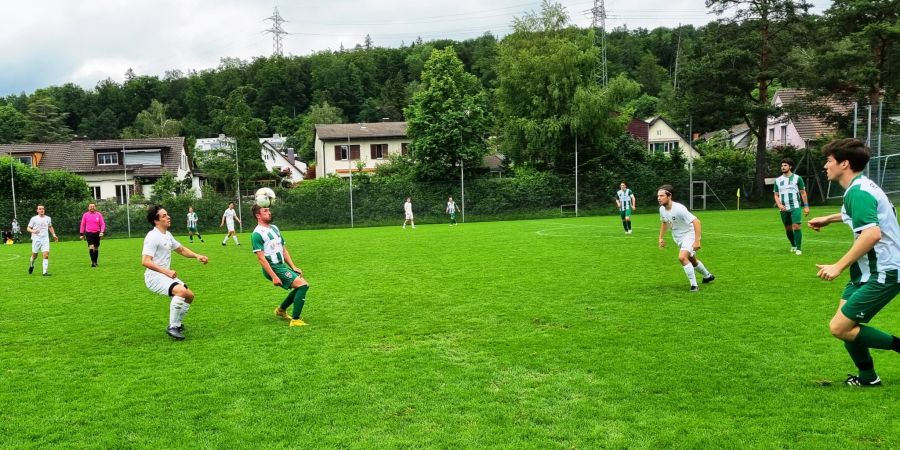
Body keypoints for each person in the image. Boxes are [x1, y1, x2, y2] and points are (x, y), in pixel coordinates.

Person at [808, 138, 900, 387]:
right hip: (865, 271)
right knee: (848, 326)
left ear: (844, 163)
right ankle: (869, 378)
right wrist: (829, 218)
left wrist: (838, 266)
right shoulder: (860, 188)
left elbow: (872, 234)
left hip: (883, 271)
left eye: (829, 161)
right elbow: (859, 214)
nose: (826, 166)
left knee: (840, 327)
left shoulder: (858, 192)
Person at [142, 205, 209, 340]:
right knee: (181, 291)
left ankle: (177, 324)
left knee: (189, 296)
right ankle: (172, 327)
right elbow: (145, 261)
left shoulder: (167, 235)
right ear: (156, 221)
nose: (168, 217)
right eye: (164, 216)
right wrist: (166, 271)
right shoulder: (152, 236)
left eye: (167, 214)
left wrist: (197, 256)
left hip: (164, 275)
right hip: (154, 277)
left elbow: (181, 250)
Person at [251, 204, 310, 327]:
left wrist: (293, 266)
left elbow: (284, 250)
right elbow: (261, 259)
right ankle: (295, 320)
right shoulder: (256, 234)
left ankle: (281, 310)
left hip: (281, 265)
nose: (269, 212)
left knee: (302, 286)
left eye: (269, 210)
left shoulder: (274, 228)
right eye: (265, 211)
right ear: (258, 215)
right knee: (303, 285)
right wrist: (273, 276)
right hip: (272, 267)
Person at [657, 185, 715, 292]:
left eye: (662, 195)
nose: (659, 198)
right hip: (678, 238)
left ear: (669, 196)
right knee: (691, 259)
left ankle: (694, 286)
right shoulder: (662, 209)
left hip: (690, 234)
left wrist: (697, 240)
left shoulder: (679, 209)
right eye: (658, 196)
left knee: (682, 257)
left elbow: (696, 222)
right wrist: (660, 238)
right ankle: (708, 276)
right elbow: (664, 223)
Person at [774, 158, 810, 255]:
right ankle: (793, 245)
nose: (783, 167)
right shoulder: (777, 180)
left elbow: (803, 193)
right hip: (783, 208)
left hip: (795, 206)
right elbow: (776, 195)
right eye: (782, 166)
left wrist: (806, 206)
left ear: (790, 167)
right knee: (788, 228)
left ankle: (798, 248)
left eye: (785, 165)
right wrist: (779, 205)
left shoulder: (797, 178)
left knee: (796, 226)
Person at [27, 204, 58, 276]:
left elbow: (50, 227)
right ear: (37, 210)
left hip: (45, 240)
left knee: (46, 255)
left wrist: (54, 235)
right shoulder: (33, 219)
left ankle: (45, 272)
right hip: (36, 239)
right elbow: (28, 228)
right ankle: (32, 264)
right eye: (40, 209)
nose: (42, 210)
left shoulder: (48, 218)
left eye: (43, 209)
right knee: (34, 256)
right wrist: (33, 231)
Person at [79, 203, 106, 267]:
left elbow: (102, 224)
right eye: (91, 206)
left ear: (95, 207)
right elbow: (82, 225)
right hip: (89, 233)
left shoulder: (98, 214)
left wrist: (102, 232)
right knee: (91, 246)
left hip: (97, 233)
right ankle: (93, 262)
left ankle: (95, 262)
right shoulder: (85, 215)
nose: (92, 207)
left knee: (96, 247)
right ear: (88, 208)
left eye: (93, 206)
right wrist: (81, 234)